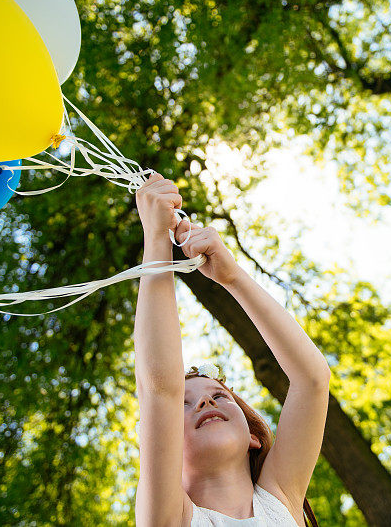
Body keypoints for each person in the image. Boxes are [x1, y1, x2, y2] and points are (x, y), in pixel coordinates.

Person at [133, 173, 330, 527]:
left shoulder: (281, 503)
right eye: (184, 403)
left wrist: (232, 276)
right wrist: (156, 240)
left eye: (220, 396)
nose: (205, 403)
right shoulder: (169, 519)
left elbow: (313, 380)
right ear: (165, 446)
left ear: (253, 436)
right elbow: (159, 388)